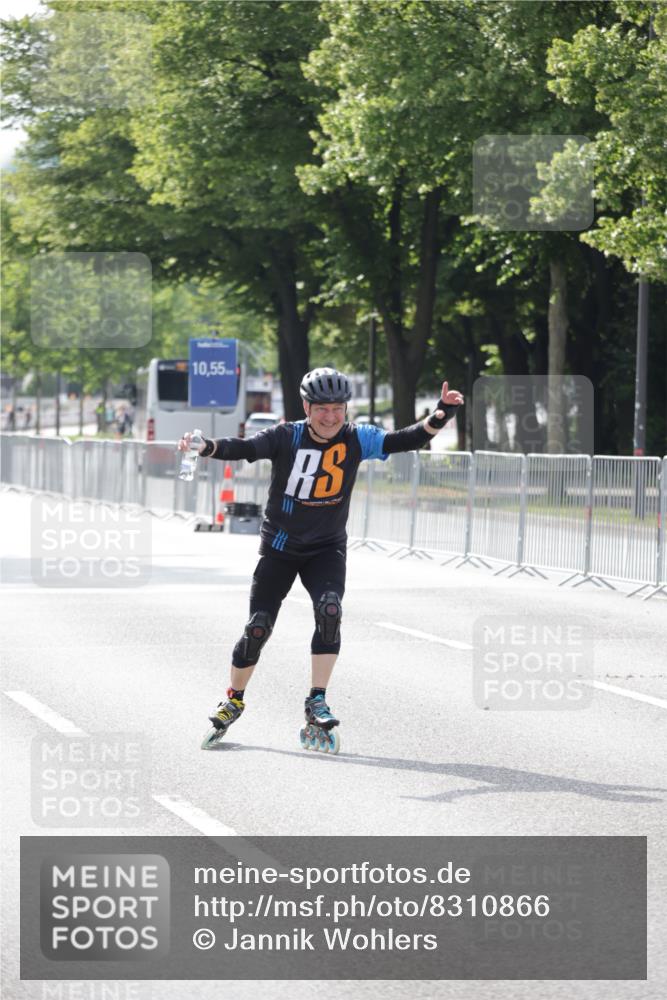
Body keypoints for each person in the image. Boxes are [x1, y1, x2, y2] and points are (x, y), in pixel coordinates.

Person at [177, 367, 463, 751]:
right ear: (306, 408)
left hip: (326, 548)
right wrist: (207, 446)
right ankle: (234, 699)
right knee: (258, 627)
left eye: (338, 409)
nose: (331, 417)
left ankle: (316, 700)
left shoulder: (357, 437)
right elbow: (245, 448)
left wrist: (440, 415)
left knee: (330, 610)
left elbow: (404, 440)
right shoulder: (287, 436)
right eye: (322, 409)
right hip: (280, 548)